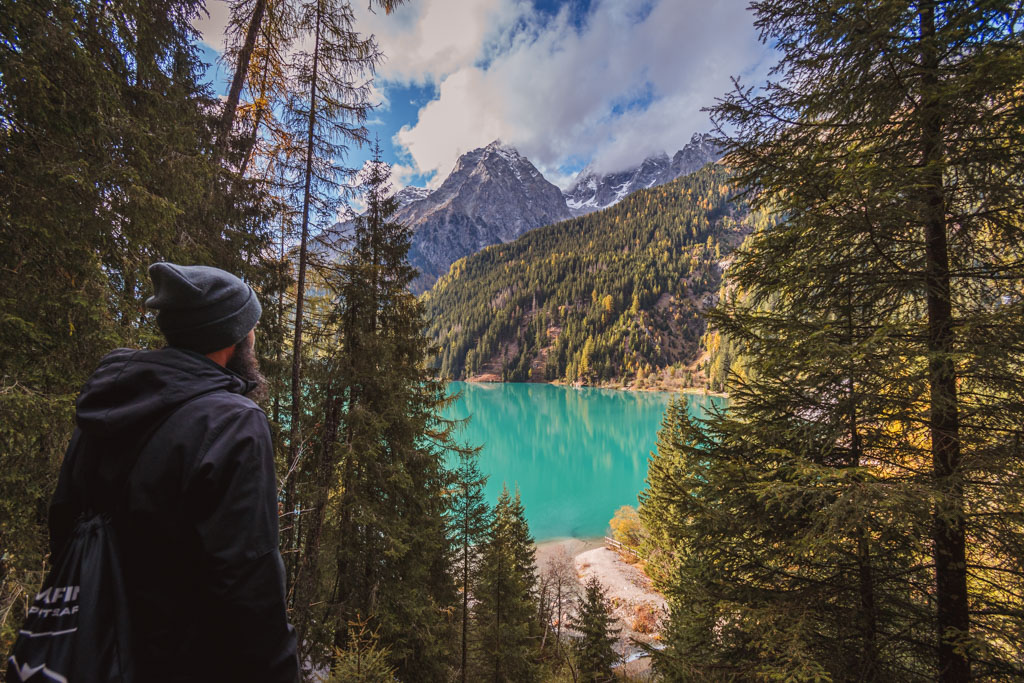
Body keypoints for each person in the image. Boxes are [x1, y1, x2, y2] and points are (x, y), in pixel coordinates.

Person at [48, 262, 300, 682]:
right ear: (232, 338)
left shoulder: (106, 403)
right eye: (250, 327)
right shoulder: (232, 423)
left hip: (95, 650)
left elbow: (63, 523)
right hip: (185, 663)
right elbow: (250, 588)